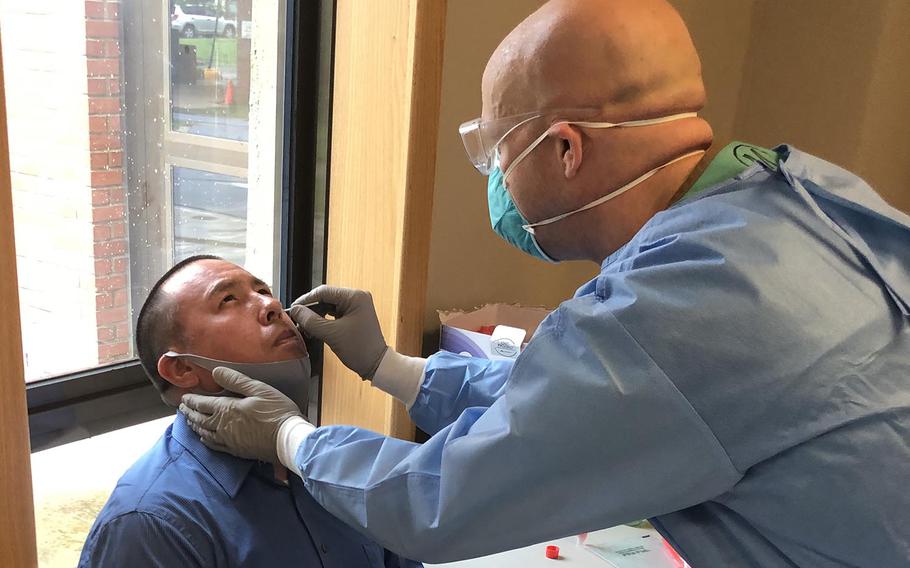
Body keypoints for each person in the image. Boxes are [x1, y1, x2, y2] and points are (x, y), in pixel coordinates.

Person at [180, 0, 910, 565]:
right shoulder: (796, 196)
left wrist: (291, 439)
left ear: (564, 148)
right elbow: (576, 398)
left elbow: (439, 500)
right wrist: (390, 369)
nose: (495, 180)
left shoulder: (670, 312)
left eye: (497, 152)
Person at [79, 255, 421, 568]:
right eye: (228, 300)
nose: (272, 304)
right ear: (182, 369)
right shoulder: (151, 524)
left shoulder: (337, 468)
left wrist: (385, 364)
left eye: (264, 290)